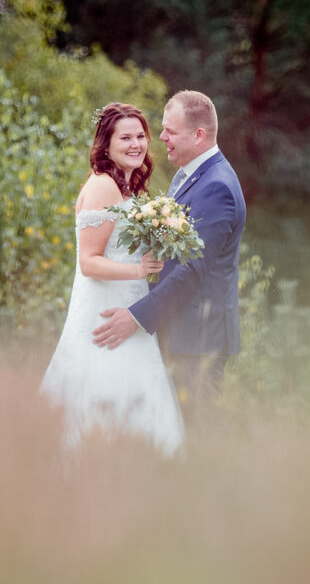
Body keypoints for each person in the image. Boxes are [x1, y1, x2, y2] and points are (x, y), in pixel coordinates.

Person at [39, 102, 185, 456]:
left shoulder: (126, 185)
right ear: (106, 144)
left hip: (128, 307)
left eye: (140, 136)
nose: (136, 144)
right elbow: (89, 262)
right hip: (105, 311)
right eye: (126, 137)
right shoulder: (103, 186)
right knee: (103, 391)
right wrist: (139, 270)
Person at [93, 90, 246, 421]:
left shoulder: (217, 187)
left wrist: (135, 317)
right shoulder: (188, 175)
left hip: (197, 341)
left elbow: (191, 271)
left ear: (199, 135)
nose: (160, 138)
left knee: (199, 436)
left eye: (170, 132)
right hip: (177, 331)